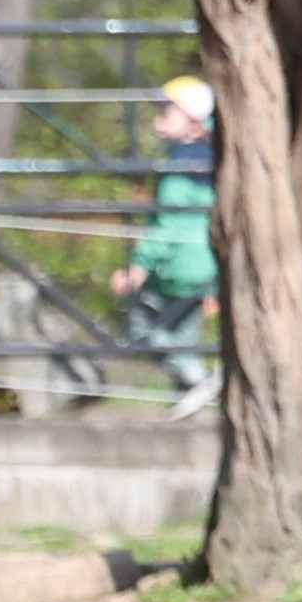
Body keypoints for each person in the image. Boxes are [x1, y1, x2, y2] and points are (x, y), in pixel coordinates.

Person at [111, 76, 219, 394]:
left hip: (176, 268)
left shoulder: (180, 170)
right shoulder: (211, 158)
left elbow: (168, 225)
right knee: (181, 341)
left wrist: (139, 266)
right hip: (202, 268)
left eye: (167, 111)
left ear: (194, 124)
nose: (159, 119)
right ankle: (193, 392)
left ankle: (200, 380)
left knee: (143, 332)